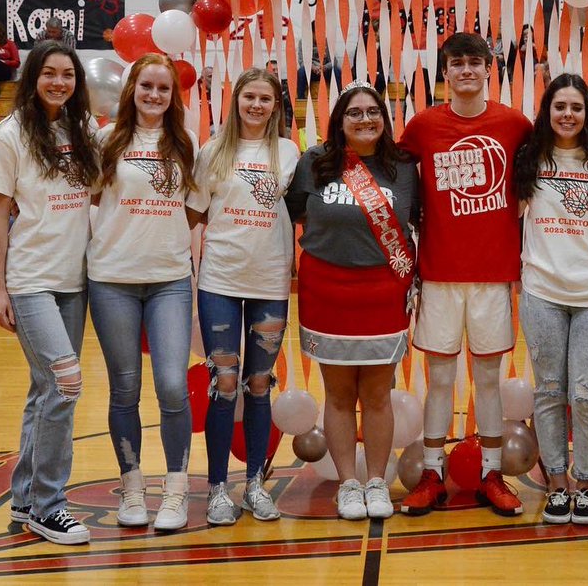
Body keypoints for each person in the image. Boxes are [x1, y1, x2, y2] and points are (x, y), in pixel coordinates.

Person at [399, 31, 533, 518]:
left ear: (488, 68)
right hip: (437, 275)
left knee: (489, 379)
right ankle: (432, 474)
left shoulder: (515, 124)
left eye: (475, 62)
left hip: (494, 275)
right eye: (457, 63)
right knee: (437, 380)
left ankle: (492, 474)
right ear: (446, 72)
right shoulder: (422, 127)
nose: (466, 71)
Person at [0, 40, 101, 545]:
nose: (58, 82)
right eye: (49, 73)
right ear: (33, 77)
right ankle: (51, 506)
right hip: (30, 281)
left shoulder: (83, 128)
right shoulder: (8, 135)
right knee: (66, 384)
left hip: (75, 281)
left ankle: (25, 498)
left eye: (67, 75)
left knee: (45, 391)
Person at [287, 83, 418, 521]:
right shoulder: (316, 164)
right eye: (354, 113)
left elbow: (421, 224)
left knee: (378, 394)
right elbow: (292, 215)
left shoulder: (403, 168)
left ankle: (377, 481)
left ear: (385, 118)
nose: (365, 119)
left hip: (383, 291)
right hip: (327, 290)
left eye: (373, 112)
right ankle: (348, 484)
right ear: (339, 122)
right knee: (338, 395)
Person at [89, 54, 197, 531]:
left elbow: (193, 210)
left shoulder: (187, 143)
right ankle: (132, 488)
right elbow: (88, 201)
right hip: (111, 278)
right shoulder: (104, 140)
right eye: (147, 86)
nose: (154, 95)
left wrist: (162, 238)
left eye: (164, 88)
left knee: (173, 386)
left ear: (174, 96)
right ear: (131, 88)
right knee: (125, 390)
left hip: (170, 280)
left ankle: (176, 491)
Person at [186, 67, 299, 525]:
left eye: (265, 99)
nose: (256, 105)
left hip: (270, 280)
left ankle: (254, 484)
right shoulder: (213, 150)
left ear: (275, 106)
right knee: (224, 384)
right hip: (220, 280)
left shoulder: (290, 152)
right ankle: (217, 488)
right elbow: (192, 215)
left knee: (257, 385)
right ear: (236, 102)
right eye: (249, 97)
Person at [514, 74, 588, 526]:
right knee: (550, 391)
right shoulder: (530, 158)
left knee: (586, 393)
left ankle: (586, 484)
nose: (568, 115)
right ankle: (557, 485)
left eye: (576, 107)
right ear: (547, 111)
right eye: (560, 106)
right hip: (542, 292)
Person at [265, 59, 295, 130]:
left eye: (277, 69)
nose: (276, 72)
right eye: (273, 69)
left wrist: (287, 126)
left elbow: (288, 106)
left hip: (282, 121)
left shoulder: (286, 85)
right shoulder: (261, 85)